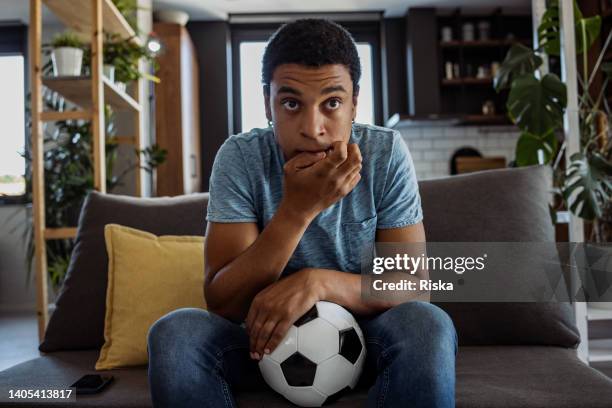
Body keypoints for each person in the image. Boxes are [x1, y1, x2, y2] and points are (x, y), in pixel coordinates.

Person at [147, 18, 457, 408]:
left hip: (365, 335)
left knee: (427, 325)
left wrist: (318, 283)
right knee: (175, 333)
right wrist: (298, 210)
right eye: (291, 103)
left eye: (332, 103)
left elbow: (414, 286)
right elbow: (223, 302)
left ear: (354, 103)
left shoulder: (386, 153)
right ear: (267, 103)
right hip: (261, 340)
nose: (313, 128)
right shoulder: (241, 158)